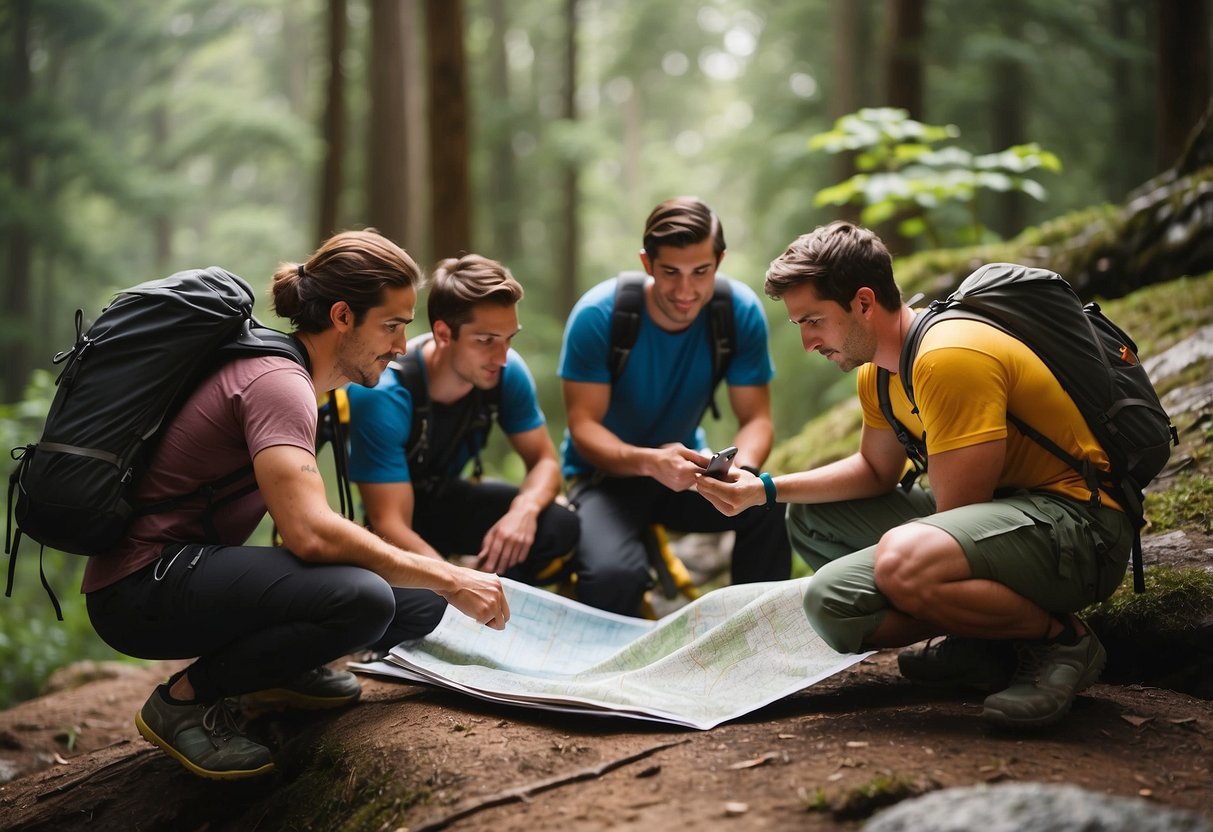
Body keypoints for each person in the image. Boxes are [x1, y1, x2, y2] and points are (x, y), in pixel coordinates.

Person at [83, 229, 510, 780]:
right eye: (391, 325)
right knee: (365, 601)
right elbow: (309, 533)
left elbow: (298, 528)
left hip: (181, 569)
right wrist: (450, 575)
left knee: (420, 606)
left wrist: (434, 585)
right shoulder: (278, 383)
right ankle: (184, 702)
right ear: (340, 317)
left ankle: (280, 671)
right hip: (141, 585)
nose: (403, 345)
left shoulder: (302, 380)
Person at [696, 221, 1132, 729]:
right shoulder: (878, 371)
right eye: (800, 325)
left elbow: (956, 516)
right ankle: (983, 643)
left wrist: (885, 569)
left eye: (813, 320)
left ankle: (1059, 642)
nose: (808, 342)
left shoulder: (947, 358)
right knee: (812, 520)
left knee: (863, 585)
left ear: (862, 303)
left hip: (1081, 530)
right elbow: (876, 470)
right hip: (1005, 518)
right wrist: (763, 491)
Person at [558, 196, 792, 616]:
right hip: (602, 479)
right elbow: (584, 429)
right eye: (670, 272)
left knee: (767, 504)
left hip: (686, 472)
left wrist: (745, 471)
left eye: (701, 272)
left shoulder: (736, 314)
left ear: (719, 260)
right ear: (647, 263)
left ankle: (755, 636)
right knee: (614, 577)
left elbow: (756, 419)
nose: (686, 291)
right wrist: (649, 462)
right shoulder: (598, 315)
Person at [346, 253, 579, 607]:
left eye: (508, 338)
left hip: (448, 500)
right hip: (395, 528)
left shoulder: (506, 372)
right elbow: (388, 523)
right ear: (443, 333)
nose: (501, 357)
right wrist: (454, 582)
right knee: (402, 604)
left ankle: (500, 607)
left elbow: (545, 460)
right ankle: (461, 608)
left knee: (558, 525)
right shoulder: (386, 393)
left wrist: (524, 511)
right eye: (485, 341)